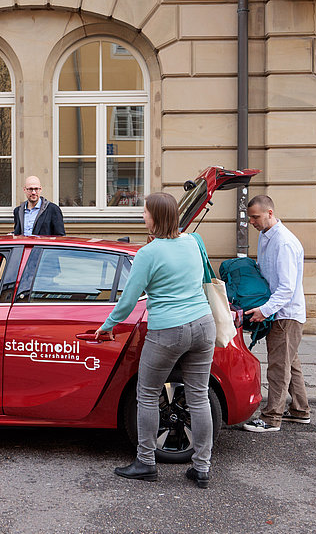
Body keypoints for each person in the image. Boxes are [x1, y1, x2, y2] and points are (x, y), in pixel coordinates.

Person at [94, 192, 216, 489]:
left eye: (145, 212)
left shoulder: (147, 254)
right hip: (203, 324)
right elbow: (204, 280)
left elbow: (128, 301)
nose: (142, 217)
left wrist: (108, 325)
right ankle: (202, 468)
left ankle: (145, 463)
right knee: (198, 396)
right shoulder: (194, 241)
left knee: (147, 393)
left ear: (156, 217)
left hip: (168, 330)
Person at [242, 195, 310, 432]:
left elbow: (287, 288)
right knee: (290, 363)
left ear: (270, 213)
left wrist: (264, 310)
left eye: (255, 217)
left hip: (285, 314)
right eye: (250, 217)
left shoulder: (284, 242)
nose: (252, 221)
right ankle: (300, 411)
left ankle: (272, 418)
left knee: (278, 367)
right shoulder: (265, 236)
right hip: (280, 312)